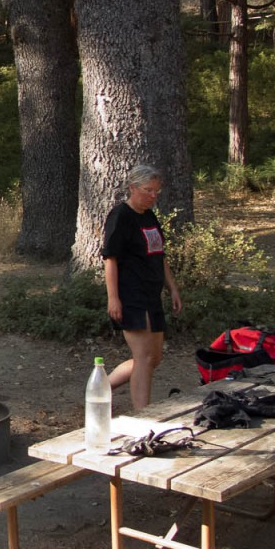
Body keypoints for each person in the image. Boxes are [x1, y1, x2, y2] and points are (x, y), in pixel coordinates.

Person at [101, 164, 182, 410]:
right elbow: (110, 258)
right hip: (131, 294)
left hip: (152, 294)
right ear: (132, 187)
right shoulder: (120, 216)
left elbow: (160, 255)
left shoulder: (149, 215)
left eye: (156, 191)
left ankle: (99, 387)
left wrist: (173, 288)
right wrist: (113, 298)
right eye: (148, 190)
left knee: (153, 358)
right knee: (144, 357)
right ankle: (142, 414)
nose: (153, 196)